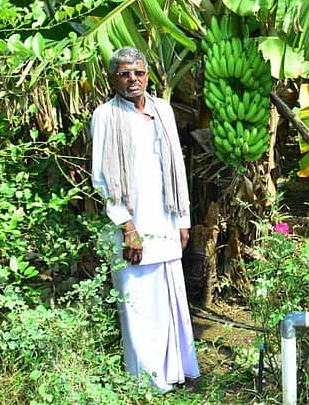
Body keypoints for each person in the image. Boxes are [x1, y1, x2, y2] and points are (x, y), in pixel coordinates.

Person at [90, 46, 200, 390]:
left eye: (138, 73)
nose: (132, 80)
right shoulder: (105, 116)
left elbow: (176, 164)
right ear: (113, 79)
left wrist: (183, 219)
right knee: (138, 303)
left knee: (169, 299)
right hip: (132, 226)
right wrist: (128, 228)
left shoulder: (162, 110)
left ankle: (176, 372)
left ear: (147, 76)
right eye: (124, 74)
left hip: (166, 220)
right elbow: (101, 178)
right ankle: (148, 383)